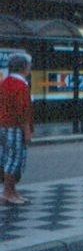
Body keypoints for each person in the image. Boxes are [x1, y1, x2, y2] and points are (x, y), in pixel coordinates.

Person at [0, 53, 33, 205]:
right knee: (14, 160)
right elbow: (22, 111)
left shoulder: (5, 82)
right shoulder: (21, 86)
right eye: (28, 66)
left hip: (4, 126)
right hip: (15, 127)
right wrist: (27, 131)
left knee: (8, 157)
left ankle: (12, 191)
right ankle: (7, 192)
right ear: (24, 68)